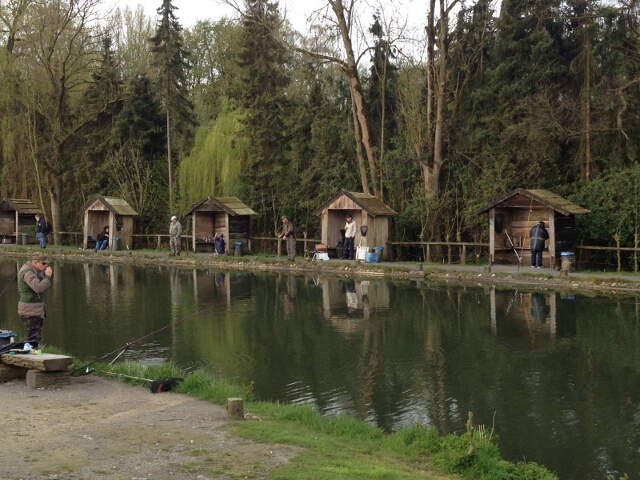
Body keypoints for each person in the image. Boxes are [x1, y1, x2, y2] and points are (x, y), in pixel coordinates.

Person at [17, 252, 53, 342]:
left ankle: (33, 348)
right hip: (30, 310)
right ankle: (32, 349)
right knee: (33, 337)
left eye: (47, 263)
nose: (46, 265)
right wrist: (48, 277)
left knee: (36, 336)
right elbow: (38, 288)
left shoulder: (35, 271)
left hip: (35, 309)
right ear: (35, 262)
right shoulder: (28, 273)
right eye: (43, 263)